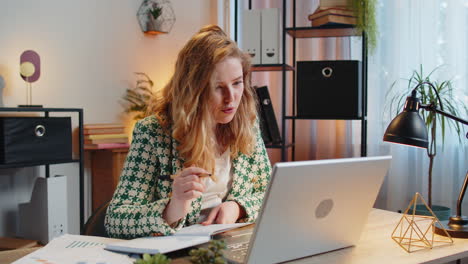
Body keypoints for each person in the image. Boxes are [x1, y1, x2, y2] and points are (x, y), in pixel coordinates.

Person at [104, 25, 272, 239]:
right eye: (218, 87)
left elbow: (269, 194)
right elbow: (115, 219)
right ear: (194, 90)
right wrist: (173, 208)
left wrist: (238, 207)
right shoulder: (153, 133)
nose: (232, 98)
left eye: (237, 83)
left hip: (233, 243)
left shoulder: (247, 123)